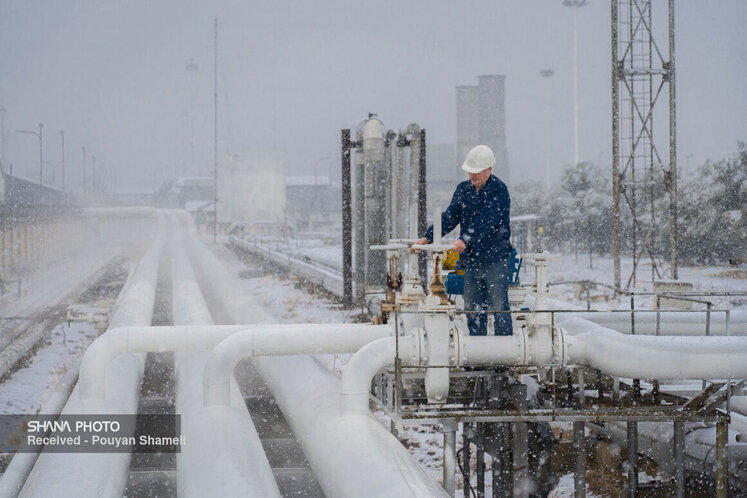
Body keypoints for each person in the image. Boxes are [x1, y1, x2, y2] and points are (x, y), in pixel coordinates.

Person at [415, 145, 512, 336]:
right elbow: (450, 216)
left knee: (499, 305)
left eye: (477, 172)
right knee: (473, 307)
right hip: (472, 260)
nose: (472, 176)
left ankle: (504, 357)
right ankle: (478, 351)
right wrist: (429, 236)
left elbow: (488, 220)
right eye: (470, 171)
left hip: (495, 260)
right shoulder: (463, 190)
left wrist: (465, 239)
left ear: (489, 170)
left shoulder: (499, 190)